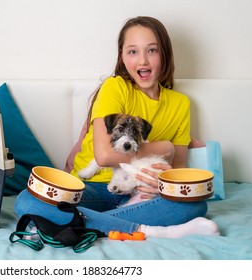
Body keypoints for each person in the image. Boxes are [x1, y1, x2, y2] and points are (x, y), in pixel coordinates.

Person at [14, 16, 219, 238]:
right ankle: (148, 229)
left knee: (195, 205)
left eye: (152, 50)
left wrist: (162, 182)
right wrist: (165, 148)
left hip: (142, 191)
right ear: (122, 56)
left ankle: (83, 221)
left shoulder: (181, 103)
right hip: (92, 188)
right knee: (26, 200)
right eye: (133, 52)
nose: (143, 61)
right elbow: (103, 156)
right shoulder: (115, 87)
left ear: (165, 54)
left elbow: (178, 169)